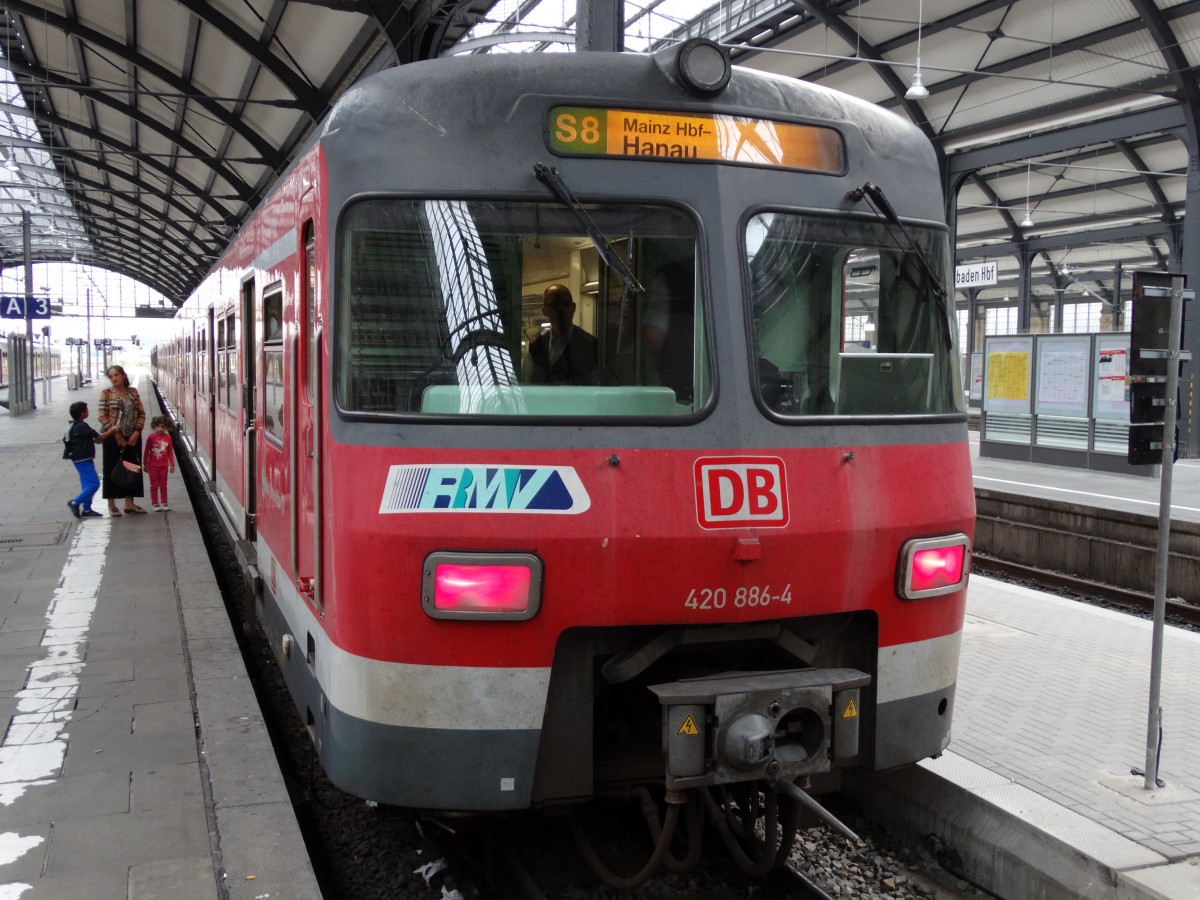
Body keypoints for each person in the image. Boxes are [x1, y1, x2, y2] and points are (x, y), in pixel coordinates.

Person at [98, 364, 147, 516]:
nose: (114, 379)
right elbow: (102, 416)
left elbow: (141, 414)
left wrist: (136, 432)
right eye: (111, 377)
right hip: (113, 438)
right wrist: (117, 435)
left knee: (132, 468)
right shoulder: (106, 393)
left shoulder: (133, 392)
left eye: (116, 375)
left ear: (123, 375)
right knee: (111, 468)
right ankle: (111, 504)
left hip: (132, 438)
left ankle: (129, 503)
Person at [528, 284, 599, 385]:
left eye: (564, 304)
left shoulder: (591, 346)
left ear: (573, 307)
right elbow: (527, 382)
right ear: (544, 311)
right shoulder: (536, 347)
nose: (560, 309)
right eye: (553, 305)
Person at [62, 401, 112, 519]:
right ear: (82, 413)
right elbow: (99, 437)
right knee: (94, 484)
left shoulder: (74, 425)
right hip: (82, 459)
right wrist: (113, 430)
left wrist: (94, 440)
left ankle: (87, 509)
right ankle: (74, 502)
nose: (88, 411)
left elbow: (86, 438)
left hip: (79, 458)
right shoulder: (82, 426)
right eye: (87, 410)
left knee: (86, 485)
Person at [144, 415, 177, 511]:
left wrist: (172, 464)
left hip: (164, 466)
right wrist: (145, 463)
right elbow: (146, 451)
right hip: (152, 466)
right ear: (154, 426)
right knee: (154, 485)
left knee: (163, 485)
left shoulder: (168, 438)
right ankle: (155, 503)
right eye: (158, 426)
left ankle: (164, 502)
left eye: (163, 426)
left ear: (166, 427)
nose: (160, 429)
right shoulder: (151, 437)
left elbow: (170, 452)